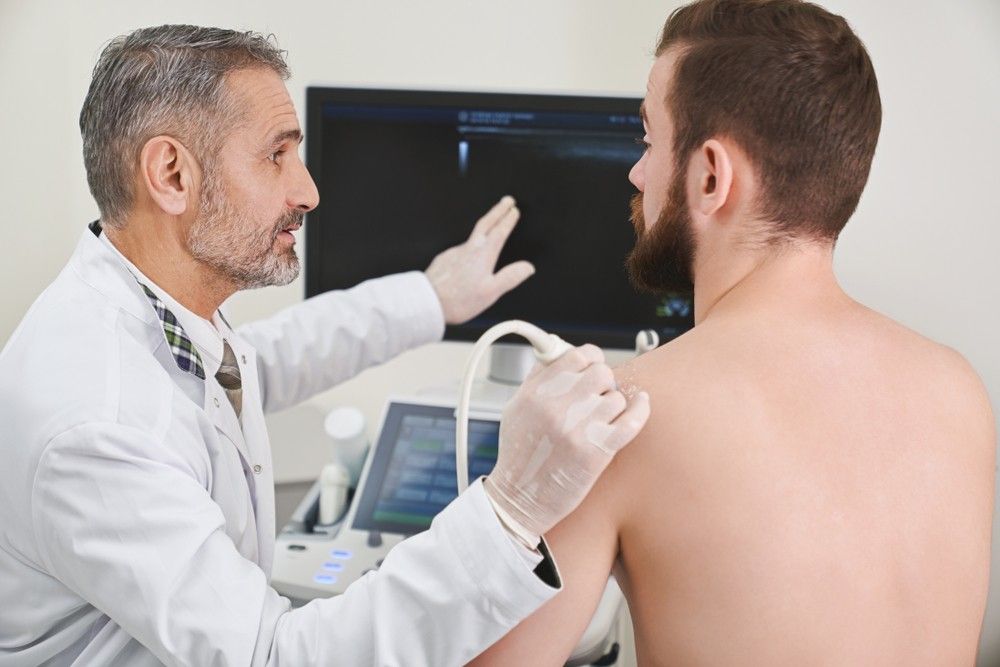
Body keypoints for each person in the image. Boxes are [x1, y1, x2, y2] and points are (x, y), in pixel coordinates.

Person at [0, 26, 650, 665]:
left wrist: (431, 296)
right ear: (172, 174)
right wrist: (510, 510)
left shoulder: (150, 313)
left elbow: (265, 360)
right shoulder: (98, 421)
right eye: (276, 155)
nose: (307, 191)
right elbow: (274, 657)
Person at [472, 0, 996, 664]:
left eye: (648, 140)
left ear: (711, 175)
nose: (637, 174)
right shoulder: (957, 390)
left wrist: (506, 505)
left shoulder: (626, 416)